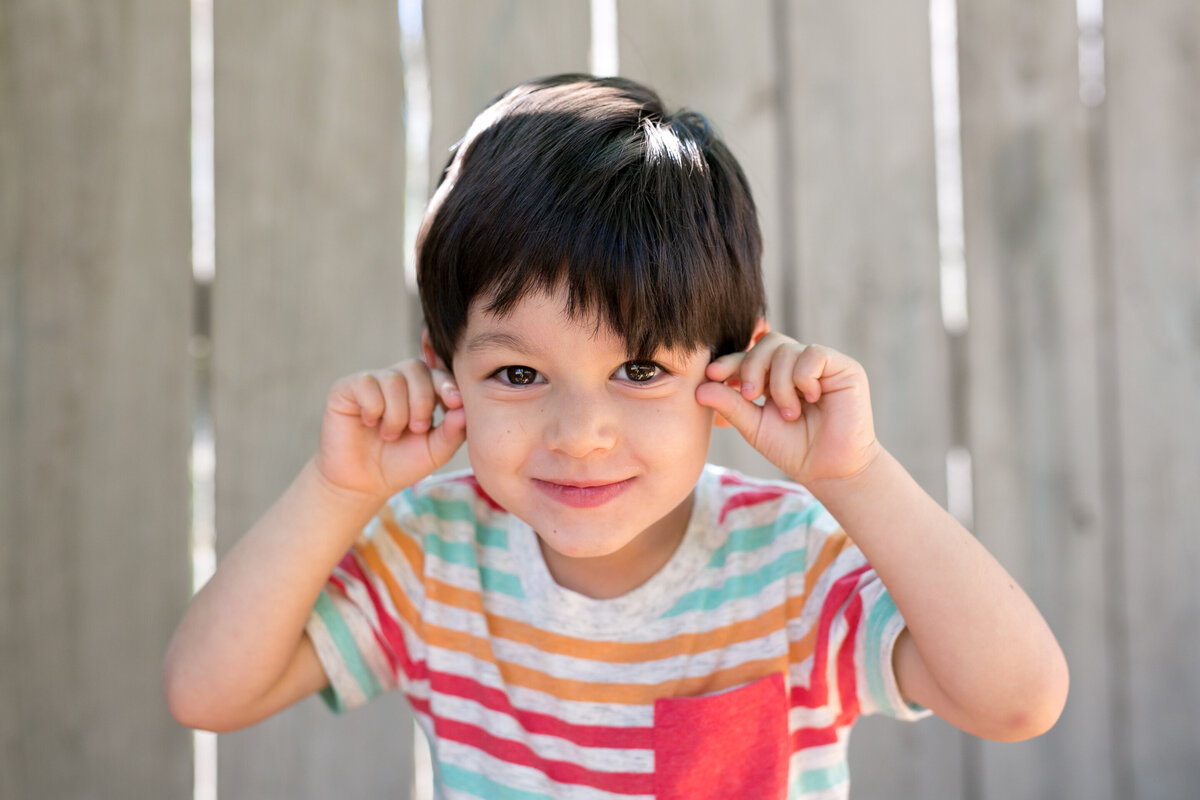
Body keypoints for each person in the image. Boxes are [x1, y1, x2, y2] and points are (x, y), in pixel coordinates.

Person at [163, 74, 1068, 799]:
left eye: (639, 371)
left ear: (734, 367)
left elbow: (1019, 701)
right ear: (448, 373)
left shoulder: (789, 560)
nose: (582, 435)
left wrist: (858, 474)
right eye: (518, 375)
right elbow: (208, 691)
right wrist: (339, 490)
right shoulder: (431, 555)